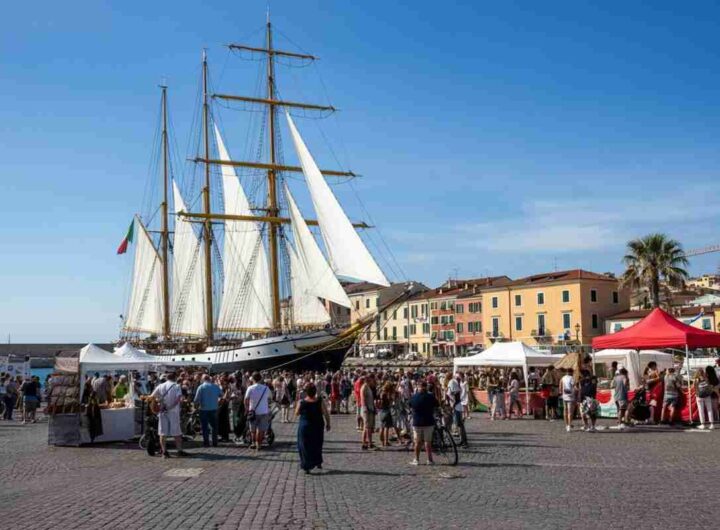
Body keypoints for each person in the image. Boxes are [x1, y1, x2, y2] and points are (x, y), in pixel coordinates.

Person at [295, 382, 331, 474]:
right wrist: (328, 423)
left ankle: (306, 465)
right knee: (317, 443)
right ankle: (317, 461)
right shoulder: (319, 401)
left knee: (304, 445)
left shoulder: (302, 402)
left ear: (306, 392)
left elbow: (296, 413)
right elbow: (326, 413)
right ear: (315, 392)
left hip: (305, 425)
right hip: (317, 425)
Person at [151, 372, 187, 458]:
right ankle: (179, 450)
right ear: (175, 378)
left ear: (167, 378)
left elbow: (152, 397)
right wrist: (171, 406)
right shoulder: (176, 386)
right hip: (173, 412)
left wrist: (159, 403)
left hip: (162, 411)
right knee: (176, 432)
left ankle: (164, 452)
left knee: (162, 432)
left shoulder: (160, 386)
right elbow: (179, 399)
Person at [409, 380, 438, 465]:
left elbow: (410, 405)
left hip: (417, 421)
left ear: (418, 387)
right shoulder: (430, 396)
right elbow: (437, 405)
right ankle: (430, 460)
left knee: (417, 442)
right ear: (426, 387)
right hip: (429, 421)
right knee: (427, 442)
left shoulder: (414, 397)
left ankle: (416, 459)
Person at [244, 372, 272, 450]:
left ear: (252, 379)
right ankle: (258, 444)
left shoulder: (250, 388)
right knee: (261, 430)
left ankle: (253, 443)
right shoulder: (266, 388)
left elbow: (246, 400)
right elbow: (270, 398)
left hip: (252, 411)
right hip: (263, 411)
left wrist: (246, 409)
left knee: (253, 430)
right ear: (260, 379)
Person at [194, 374, 222, 447]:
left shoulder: (201, 387)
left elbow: (196, 399)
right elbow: (221, 395)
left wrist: (196, 406)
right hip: (214, 408)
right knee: (214, 426)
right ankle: (214, 442)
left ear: (203, 379)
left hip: (204, 409)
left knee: (204, 427)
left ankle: (206, 442)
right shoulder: (216, 386)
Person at [447, 374, 468, 447]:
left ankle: (464, 441)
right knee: (458, 424)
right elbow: (453, 394)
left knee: (459, 424)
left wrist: (453, 405)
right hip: (456, 405)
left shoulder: (455, 382)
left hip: (457, 406)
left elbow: (456, 395)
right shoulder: (453, 382)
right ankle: (462, 440)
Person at [360, 373, 378, 450]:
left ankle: (364, 443)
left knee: (366, 427)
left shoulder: (368, 387)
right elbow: (363, 399)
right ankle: (370, 443)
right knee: (368, 427)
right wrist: (365, 408)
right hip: (366, 409)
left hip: (370, 408)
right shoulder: (364, 387)